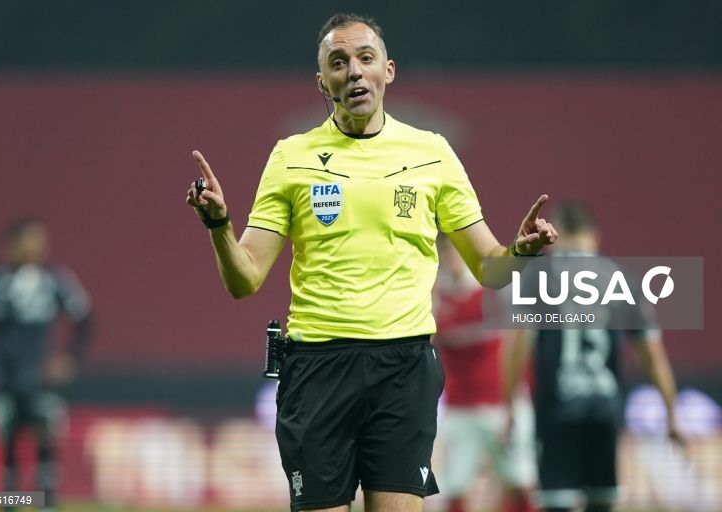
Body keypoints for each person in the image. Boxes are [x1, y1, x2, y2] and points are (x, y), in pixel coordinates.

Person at [185, 12, 557, 512]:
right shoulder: (291, 156)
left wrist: (521, 253)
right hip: (317, 366)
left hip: (403, 368)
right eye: (338, 63)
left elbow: (490, 269)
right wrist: (220, 224)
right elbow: (245, 278)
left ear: (389, 71)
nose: (354, 71)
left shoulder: (432, 154)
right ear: (323, 83)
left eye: (365, 58)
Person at [503, 201, 682, 512]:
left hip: (556, 408)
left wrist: (507, 405)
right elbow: (651, 352)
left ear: (556, 232)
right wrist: (671, 411)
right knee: (602, 502)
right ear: (594, 235)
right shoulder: (619, 277)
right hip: (605, 408)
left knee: (556, 502)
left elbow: (518, 345)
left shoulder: (539, 277)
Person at [0, 218, 93, 511]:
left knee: (46, 450)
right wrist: (20, 287)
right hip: (6, 378)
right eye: (31, 240)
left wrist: (68, 358)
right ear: (12, 244)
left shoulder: (56, 280)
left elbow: (85, 318)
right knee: (7, 454)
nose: (38, 248)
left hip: (41, 379)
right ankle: (8, 504)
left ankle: (44, 505)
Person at [434, 235, 537, 512]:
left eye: (458, 252)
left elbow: (519, 342)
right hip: (460, 408)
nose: (453, 258)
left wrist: (513, 401)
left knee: (518, 483)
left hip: (501, 404)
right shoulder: (434, 298)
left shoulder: (495, 289)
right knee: (455, 489)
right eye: (447, 252)